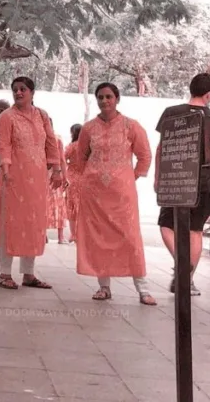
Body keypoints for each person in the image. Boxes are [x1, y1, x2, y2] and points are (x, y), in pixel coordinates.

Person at [70, 83, 156, 305]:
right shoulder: (89, 128)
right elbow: (81, 158)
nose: (104, 101)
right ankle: (104, 288)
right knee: (99, 239)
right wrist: (92, 177)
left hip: (122, 194)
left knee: (130, 237)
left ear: (117, 99)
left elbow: (145, 155)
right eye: (100, 97)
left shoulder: (131, 126)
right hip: (95, 194)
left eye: (109, 97)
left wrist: (130, 176)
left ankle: (143, 289)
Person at [154, 73, 210, 296]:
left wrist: (158, 177)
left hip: (174, 179)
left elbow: (161, 149)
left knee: (167, 224)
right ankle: (186, 278)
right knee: (196, 230)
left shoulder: (171, 113)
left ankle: (181, 262)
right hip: (203, 182)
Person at [0, 77, 63, 290]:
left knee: (33, 224)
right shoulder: (7, 117)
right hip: (12, 177)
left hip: (37, 179)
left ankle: (28, 274)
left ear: (32, 92)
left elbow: (51, 143)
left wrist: (56, 169)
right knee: (9, 223)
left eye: (23, 89)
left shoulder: (42, 116)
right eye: (15, 90)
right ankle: (4, 274)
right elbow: (3, 145)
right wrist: (6, 168)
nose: (18, 93)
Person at [64, 124, 83, 244]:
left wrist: (69, 165)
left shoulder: (71, 146)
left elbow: (63, 158)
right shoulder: (87, 147)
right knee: (83, 207)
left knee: (71, 207)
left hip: (72, 178)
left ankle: (73, 235)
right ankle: (82, 234)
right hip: (85, 178)